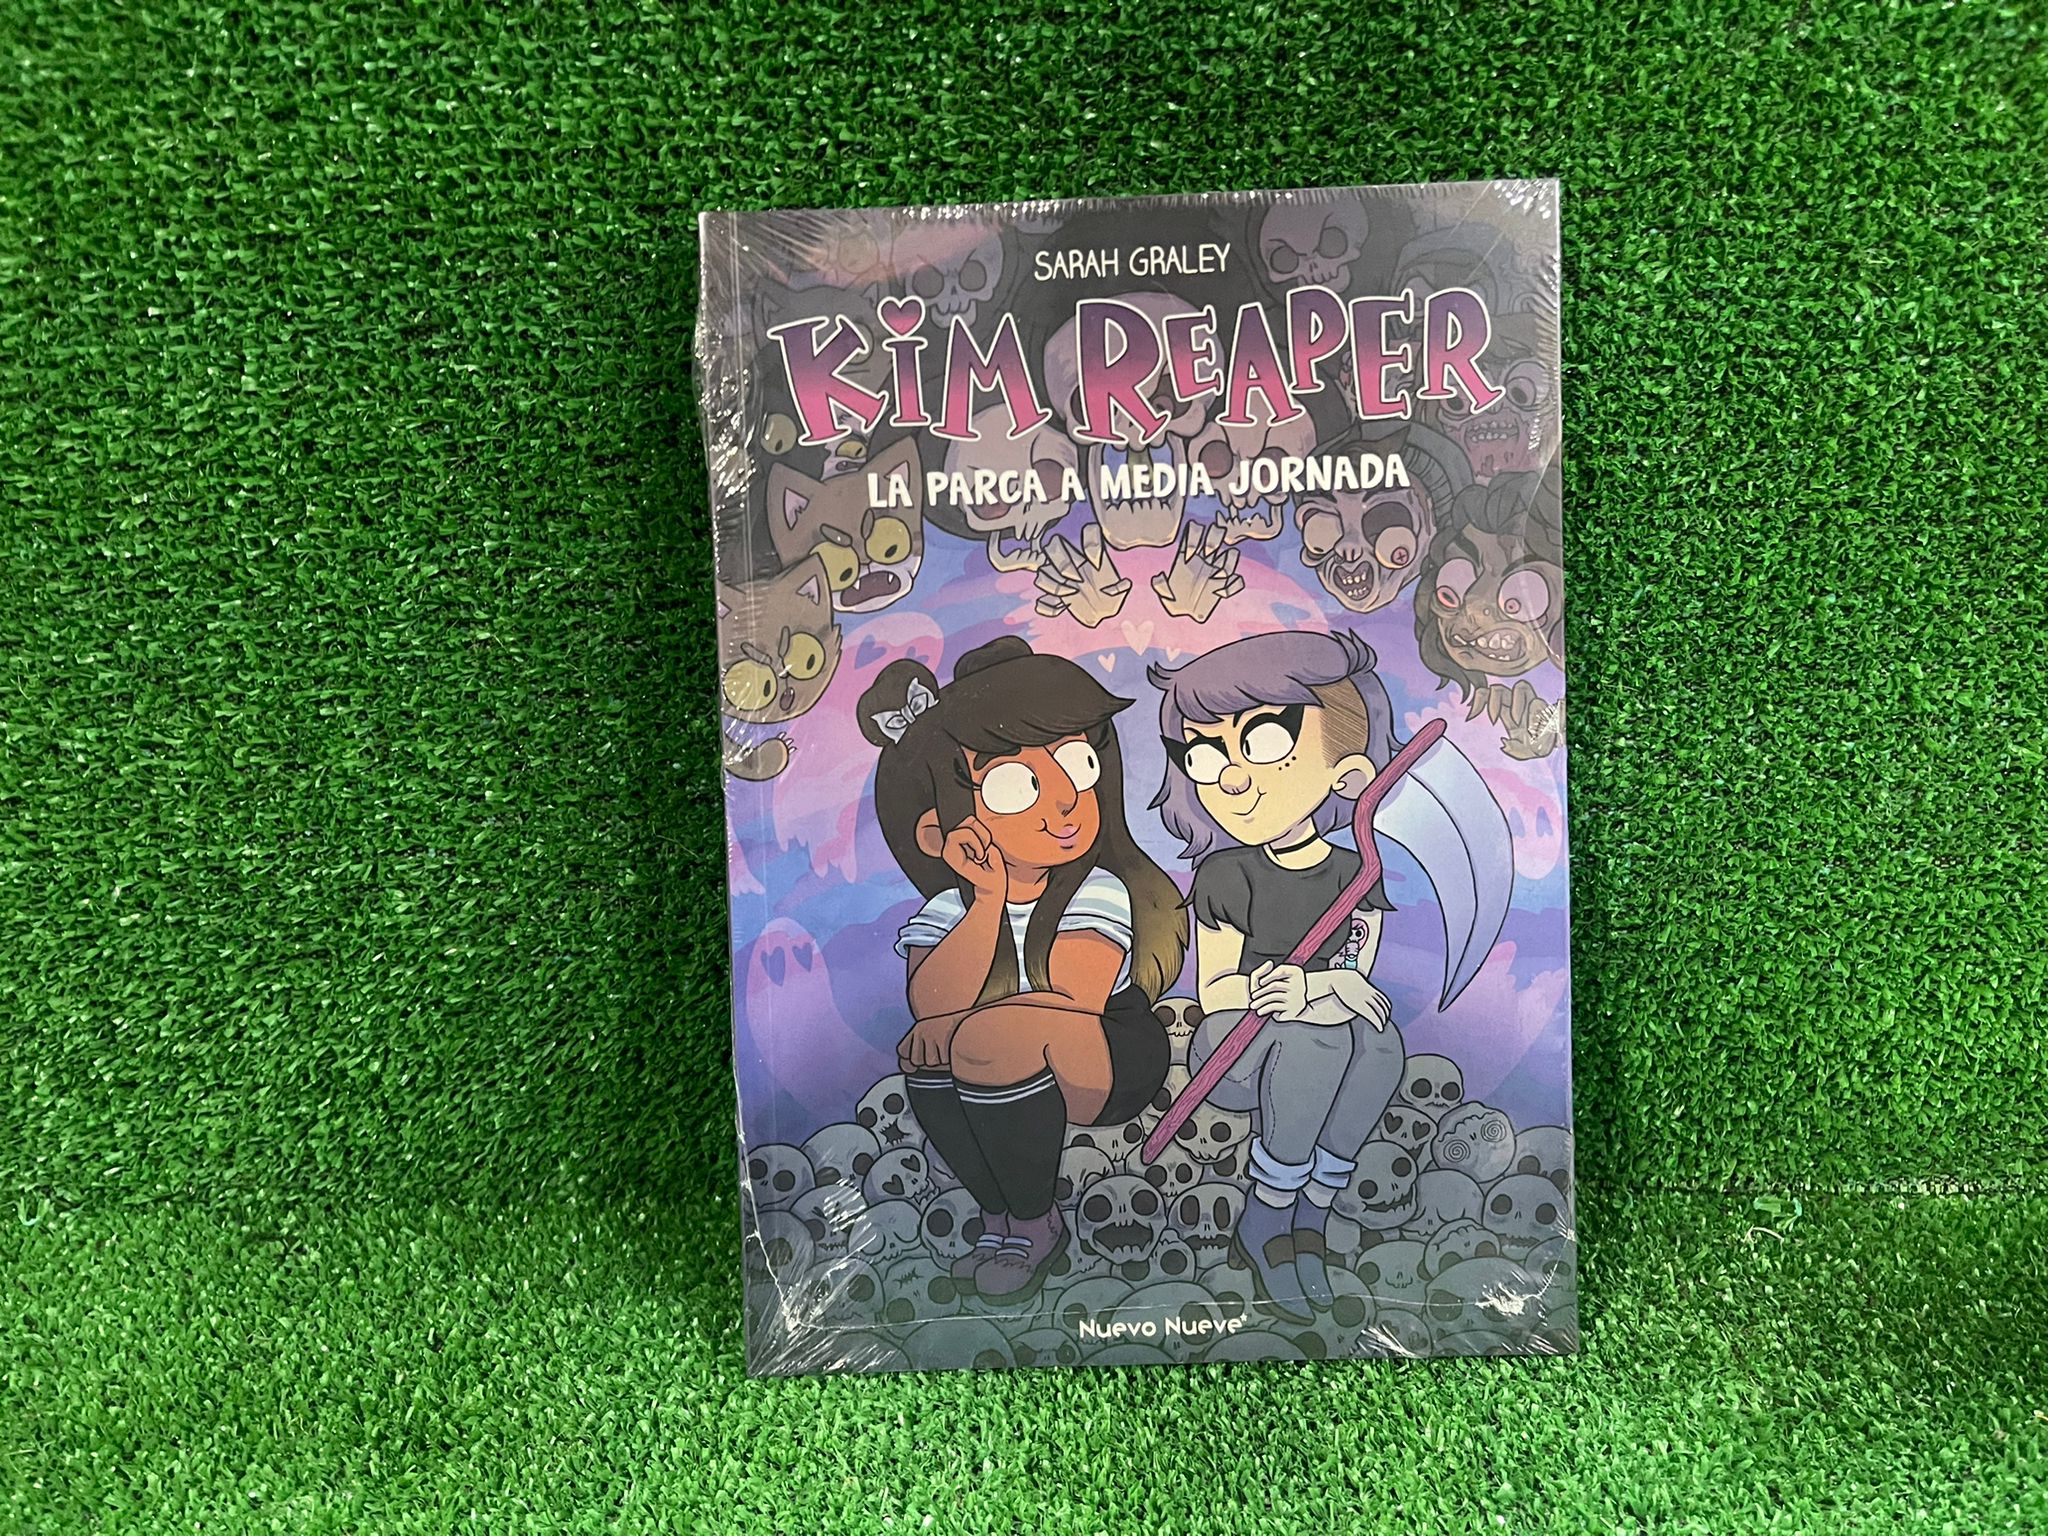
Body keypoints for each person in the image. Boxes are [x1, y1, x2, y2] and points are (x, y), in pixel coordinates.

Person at [859, 638, 1186, 1300]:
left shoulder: (1095, 889)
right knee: (929, 1050)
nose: (1065, 799)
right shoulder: (950, 909)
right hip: (1011, 1057)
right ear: (937, 834)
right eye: (1016, 786)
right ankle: (999, 1216)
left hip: (1107, 1054)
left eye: (1078, 764)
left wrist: (967, 1025)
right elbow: (931, 1006)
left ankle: (1037, 1223)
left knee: (981, 1036)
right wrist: (986, 902)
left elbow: (1076, 997)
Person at [1149, 630, 1405, 1321]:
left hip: (1323, 1028)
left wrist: (1320, 989)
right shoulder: (1225, 874)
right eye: (1205, 755)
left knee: (1380, 1041)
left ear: (1347, 772)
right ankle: (1266, 1215)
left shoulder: (1358, 874)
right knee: (1314, 1038)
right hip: (1236, 1050)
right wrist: (1295, 993)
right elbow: (1216, 992)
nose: (1231, 777)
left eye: (1264, 741)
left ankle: (1311, 1214)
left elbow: (1356, 975)